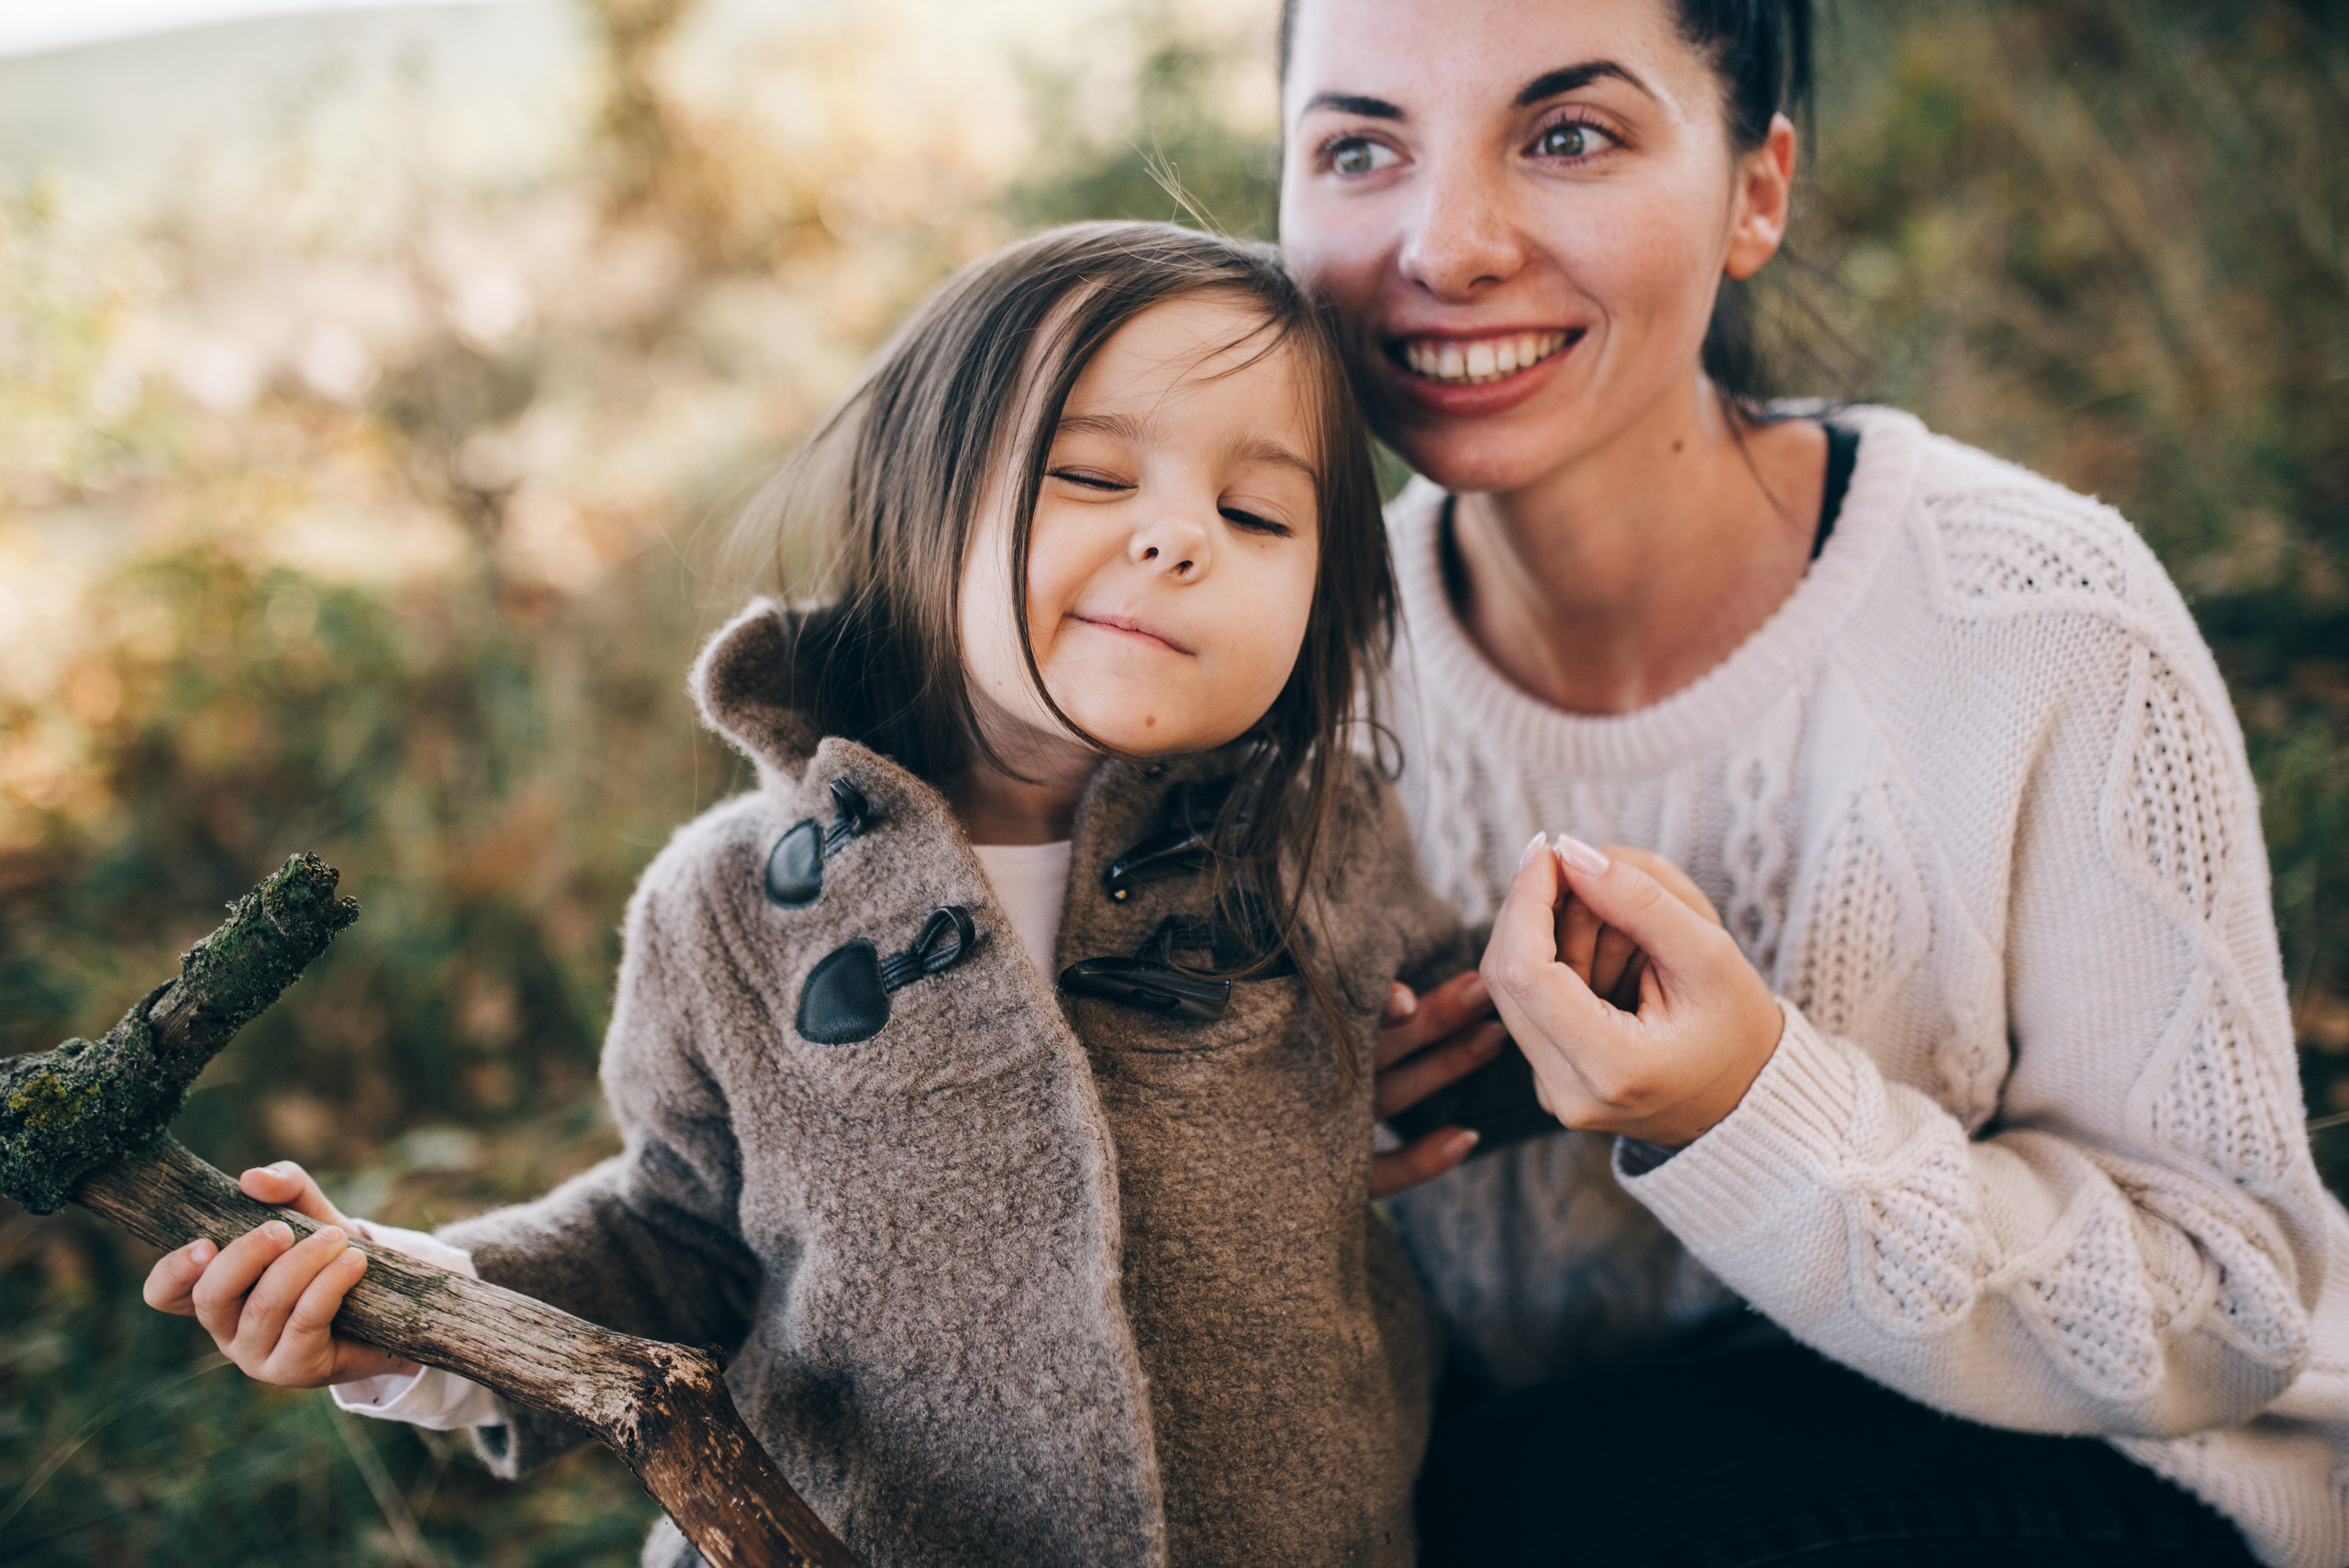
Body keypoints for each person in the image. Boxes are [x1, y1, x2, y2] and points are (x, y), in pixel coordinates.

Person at [136, 221, 1476, 1568]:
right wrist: (416, 1305)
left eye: (1258, 512)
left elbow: (1460, 1044)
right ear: (921, 503)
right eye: (1087, 472)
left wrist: (1575, 991)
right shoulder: (724, 909)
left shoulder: (1318, 837)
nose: (1182, 534)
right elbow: (670, 1235)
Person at [1278, 2, 2349, 1565]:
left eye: (1569, 134)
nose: (1448, 245)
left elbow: (2231, 1304)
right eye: (1361, 147)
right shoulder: (1266, 677)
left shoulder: (2034, 617)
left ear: (1756, 192)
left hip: (2136, 1478)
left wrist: (1748, 1110)